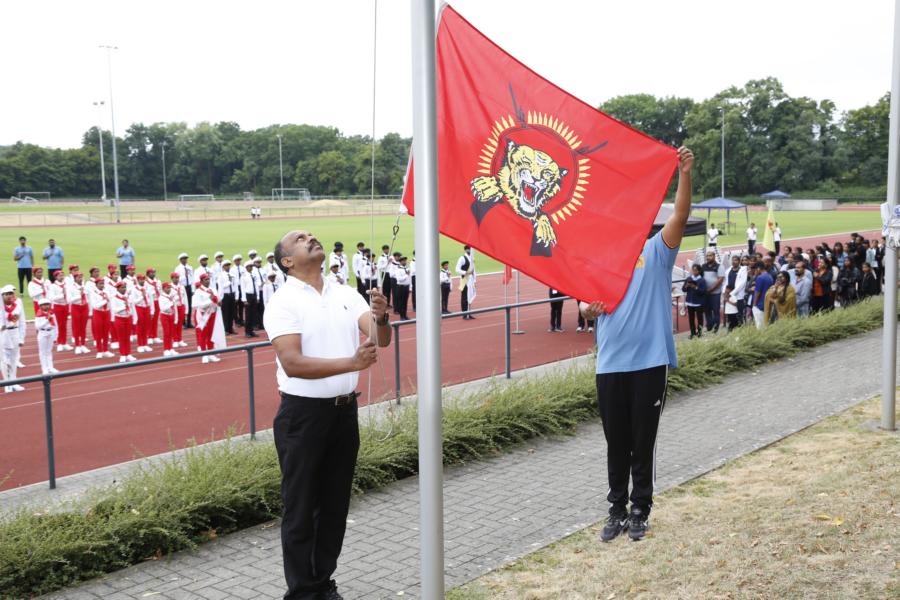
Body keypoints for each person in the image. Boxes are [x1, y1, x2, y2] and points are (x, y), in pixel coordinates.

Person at [264, 228, 391, 600]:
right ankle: (303, 592)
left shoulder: (344, 292)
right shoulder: (283, 301)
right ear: (287, 261)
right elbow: (292, 363)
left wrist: (382, 317)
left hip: (343, 413)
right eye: (299, 239)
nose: (310, 238)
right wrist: (351, 362)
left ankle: (322, 583)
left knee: (335, 507)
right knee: (302, 507)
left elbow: (380, 338)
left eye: (311, 235)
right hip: (303, 416)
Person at [580, 146, 693, 543]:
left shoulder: (656, 251)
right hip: (610, 363)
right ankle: (616, 508)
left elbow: (680, 215)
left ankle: (640, 508)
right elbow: (585, 306)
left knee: (642, 442)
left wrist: (684, 173)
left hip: (649, 363)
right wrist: (588, 310)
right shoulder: (598, 260)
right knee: (617, 442)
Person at [1, 285, 26, 392]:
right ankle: (7, 384)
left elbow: (22, 322)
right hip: (3, 334)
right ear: (2, 296)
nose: (9, 296)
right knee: (4, 360)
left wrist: (21, 338)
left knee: (14, 359)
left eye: (11, 293)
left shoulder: (18, 305)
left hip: (14, 332)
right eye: (6, 294)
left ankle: (14, 382)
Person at [193, 274, 221, 361]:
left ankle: (211, 353)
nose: (208, 281)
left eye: (208, 279)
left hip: (212, 313)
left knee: (211, 334)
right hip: (203, 315)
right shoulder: (198, 291)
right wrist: (210, 300)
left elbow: (218, 299)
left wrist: (218, 301)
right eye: (206, 279)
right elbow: (199, 305)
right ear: (201, 281)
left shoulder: (212, 289)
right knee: (203, 335)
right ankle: (204, 355)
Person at [111, 280, 136, 363]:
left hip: (128, 318)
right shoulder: (114, 298)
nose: (124, 289)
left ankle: (128, 354)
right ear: (117, 289)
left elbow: (132, 307)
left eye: (125, 287)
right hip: (119, 318)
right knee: (121, 338)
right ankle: (122, 354)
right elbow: (115, 310)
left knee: (127, 337)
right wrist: (124, 306)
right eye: (122, 287)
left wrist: (134, 318)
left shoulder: (128, 297)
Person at [89, 277, 114, 359]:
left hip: (106, 312)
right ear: (96, 285)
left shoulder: (106, 292)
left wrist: (112, 315)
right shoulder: (93, 293)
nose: (102, 285)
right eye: (100, 284)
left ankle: (106, 350)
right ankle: (99, 351)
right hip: (98, 313)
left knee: (106, 332)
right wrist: (105, 301)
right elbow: (95, 305)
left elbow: (110, 304)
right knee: (98, 333)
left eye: (103, 283)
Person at [700, 251, 724, 333]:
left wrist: (710, 289)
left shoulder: (719, 266)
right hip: (706, 293)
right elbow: (700, 277)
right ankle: (709, 328)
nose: (708, 257)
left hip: (715, 293)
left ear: (714, 256)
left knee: (716, 311)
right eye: (707, 256)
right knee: (707, 311)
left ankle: (715, 329)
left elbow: (720, 280)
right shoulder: (703, 266)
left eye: (710, 256)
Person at [48, 270, 72, 352]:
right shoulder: (53, 286)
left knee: (64, 325)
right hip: (58, 306)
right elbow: (52, 298)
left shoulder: (67, 285)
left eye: (62, 275)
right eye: (60, 275)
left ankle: (64, 342)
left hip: (65, 305)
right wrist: (63, 295)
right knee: (59, 325)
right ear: (56, 277)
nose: (62, 277)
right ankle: (59, 343)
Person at [67, 271, 90, 354]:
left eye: (81, 277)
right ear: (75, 278)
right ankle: (77, 345)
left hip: (84, 307)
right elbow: (69, 300)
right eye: (78, 277)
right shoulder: (71, 288)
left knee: (83, 327)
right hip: (76, 307)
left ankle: (83, 344)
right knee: (76, 327)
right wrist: (79, 295)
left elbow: (88, 297)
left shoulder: (85, 287)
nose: (80, 279)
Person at [131, 274, 155, 353]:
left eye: (143, 279)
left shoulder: (147, 288)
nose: (142, 281)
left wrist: (152, 310)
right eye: (140, 279)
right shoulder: (134, 289)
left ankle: (145, 344)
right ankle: (140, 345)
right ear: (137, 280)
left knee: (146, 326)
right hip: (139, 308)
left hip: (146, 307)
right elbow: (134, 301)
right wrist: (142, 296)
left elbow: (151, 299)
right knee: (140, 327)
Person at [34, 298, 59, 374]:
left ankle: (50, 367)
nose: (46, 306)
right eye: (44, 305)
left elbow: (55, 325)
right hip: (42, 333)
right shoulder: (38, 315)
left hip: (50, 332)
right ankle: (44, 368)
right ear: (40, 306)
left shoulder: (52, 313)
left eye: (47, 304)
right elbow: (37, 326)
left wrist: (56, 335)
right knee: (42, 352)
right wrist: (47, 320)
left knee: (49, 351)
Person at [682, 264, 707, 338]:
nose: (694, 272)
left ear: (699, 271)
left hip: (698, 303)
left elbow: (703, 292)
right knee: (691, 319)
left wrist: (695, 287)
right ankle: (693, 333)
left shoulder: (702, 280)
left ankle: (700, 333)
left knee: (700, 319)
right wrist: (686, 286)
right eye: (693, 270)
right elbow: (683, 289)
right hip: (690, 302)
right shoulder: (688, 278)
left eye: (695, 270)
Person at [724, 263, 747, 332]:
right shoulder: (726, 295)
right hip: (728, 312)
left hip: (733, 312)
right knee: (731, 323)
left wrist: (728, 301)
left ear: (731, 290)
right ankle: (730, 331)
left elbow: (736, 304)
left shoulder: (733, 296)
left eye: (727, 289)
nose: (726, 290)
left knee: (734, 323)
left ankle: (735, 331)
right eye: (726, 289)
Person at [174, 253, 195, 329]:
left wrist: (193, 289)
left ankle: (189, 322)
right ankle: (183, 322)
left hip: (189, 287)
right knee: (183, 304)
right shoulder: (177, 268)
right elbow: (176, 279)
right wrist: (184, 276)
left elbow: (192, 278)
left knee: (189, 304)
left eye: (186, 258)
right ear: (180, 260)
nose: (185, 260)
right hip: (182, 287)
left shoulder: (190, 267)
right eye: (183, 259)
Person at [158, 281, 179, 357]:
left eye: (170, 288)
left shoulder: (171, 297)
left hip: (171, 315)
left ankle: (171, 348)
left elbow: (175, 307)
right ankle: (166, 349)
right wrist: (170, 303)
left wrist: (176, 317)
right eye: (167, 288)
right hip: (165, 315)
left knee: (171, 333)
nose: (169, 289)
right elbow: (162, 308)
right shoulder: (161, 297)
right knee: (166, 333)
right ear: (163, 288)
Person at [241, 261, 261, 338]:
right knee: (248, 315)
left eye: (252, 266)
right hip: (248, 296)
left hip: (254, 295)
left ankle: (251, 330)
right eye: (249, 266)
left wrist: (258, 297)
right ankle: (247, 331)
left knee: (253, 314)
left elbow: (256, 286)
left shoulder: (253, 274)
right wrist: (244, 299)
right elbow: (243, 288)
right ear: (246, 267)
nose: (251, 267)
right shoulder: (244, 276)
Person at [751, 262, 774, 329]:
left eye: (755, 269)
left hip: (759, 306)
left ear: (758, 268)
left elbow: (757, 292)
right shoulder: (770, 276)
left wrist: (754, 305)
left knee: (759, 327)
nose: (754, 272)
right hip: (767, 305)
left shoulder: (760, 277)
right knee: (765, 326)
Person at [456, 245, 476, 319]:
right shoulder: (462, 258)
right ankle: (464, 313)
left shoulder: (472, 258)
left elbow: (474, 270)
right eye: (469, 249)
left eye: (470, 249)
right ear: (465, 250)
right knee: (464, 297)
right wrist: (465, 272)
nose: (470, 251)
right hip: (464, 279)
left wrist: (474, 280)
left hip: (470, 280)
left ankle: (469, 313)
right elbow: (457, 269)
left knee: (470, 296)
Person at [723, 255, 744, 326]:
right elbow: (725, 282)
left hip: (737, 295)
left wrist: (732, 293)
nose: (733, 262)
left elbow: (741, 283)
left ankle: (740, 326)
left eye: (735, 260)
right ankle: (729, 326)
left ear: (739, 261)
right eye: (732, 260)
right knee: (729, 312)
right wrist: (725, 293)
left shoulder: (742, 270)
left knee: (738, 313)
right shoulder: (728, 270)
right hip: (728, 293)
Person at [170, 271, 188, 348]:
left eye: (177, 278)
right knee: (175, 323)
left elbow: (185, 297)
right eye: (175, 278)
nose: (176, 279)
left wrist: (186, 309)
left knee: (180, 324)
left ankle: (180, 339)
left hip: (181, 306)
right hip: (175, 307)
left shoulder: (182, 287)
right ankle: (175, 340)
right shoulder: (169, 287)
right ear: (172, 278)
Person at [218, 260, 236, 334]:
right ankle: (226, 329)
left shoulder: (232, 275)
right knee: (226, 313)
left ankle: (230, 328)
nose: (228, 267)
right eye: (226, 265)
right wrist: (220, 298)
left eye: (228, 265)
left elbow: (235, 285)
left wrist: (236, 295)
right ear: (223, 267)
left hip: (232, 294)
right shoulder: (221, 276)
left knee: (232, 312)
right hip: (225, 295)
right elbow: (221, 287)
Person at [146, 268, 163, 344]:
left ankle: (155, 336)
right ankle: (149, 336)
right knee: (150, 320)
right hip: (150, 302)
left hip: (157, 301)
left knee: (155, 319)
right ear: (148, 274)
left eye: (154, 272)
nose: (153, 274)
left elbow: (161, 291)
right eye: (151, 272)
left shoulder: (158, 281)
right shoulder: (146, 282)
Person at [393, 256, 412, 320]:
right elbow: (399, 279)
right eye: (403, 261)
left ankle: (405, 315)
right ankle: (402, 316)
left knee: (405, 302)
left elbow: (409, 278)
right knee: (401, 302)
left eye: (405, 260)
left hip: (406, 287)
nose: (405, 262)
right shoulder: (398, 270)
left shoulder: (407, 268)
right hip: (401, 287)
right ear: (400, 262)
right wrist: (406, 275)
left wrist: (410, 287)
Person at [232, 254, 245, 327]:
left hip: (241, 287)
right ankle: (236, 321)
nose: (238, 261)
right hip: (235, 287)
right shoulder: (232, 269)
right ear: (234, 261)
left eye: (239, 260)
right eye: (237, 260)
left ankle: (241, 319)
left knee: (241, 305)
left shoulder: (243, 268)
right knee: (235, 306)